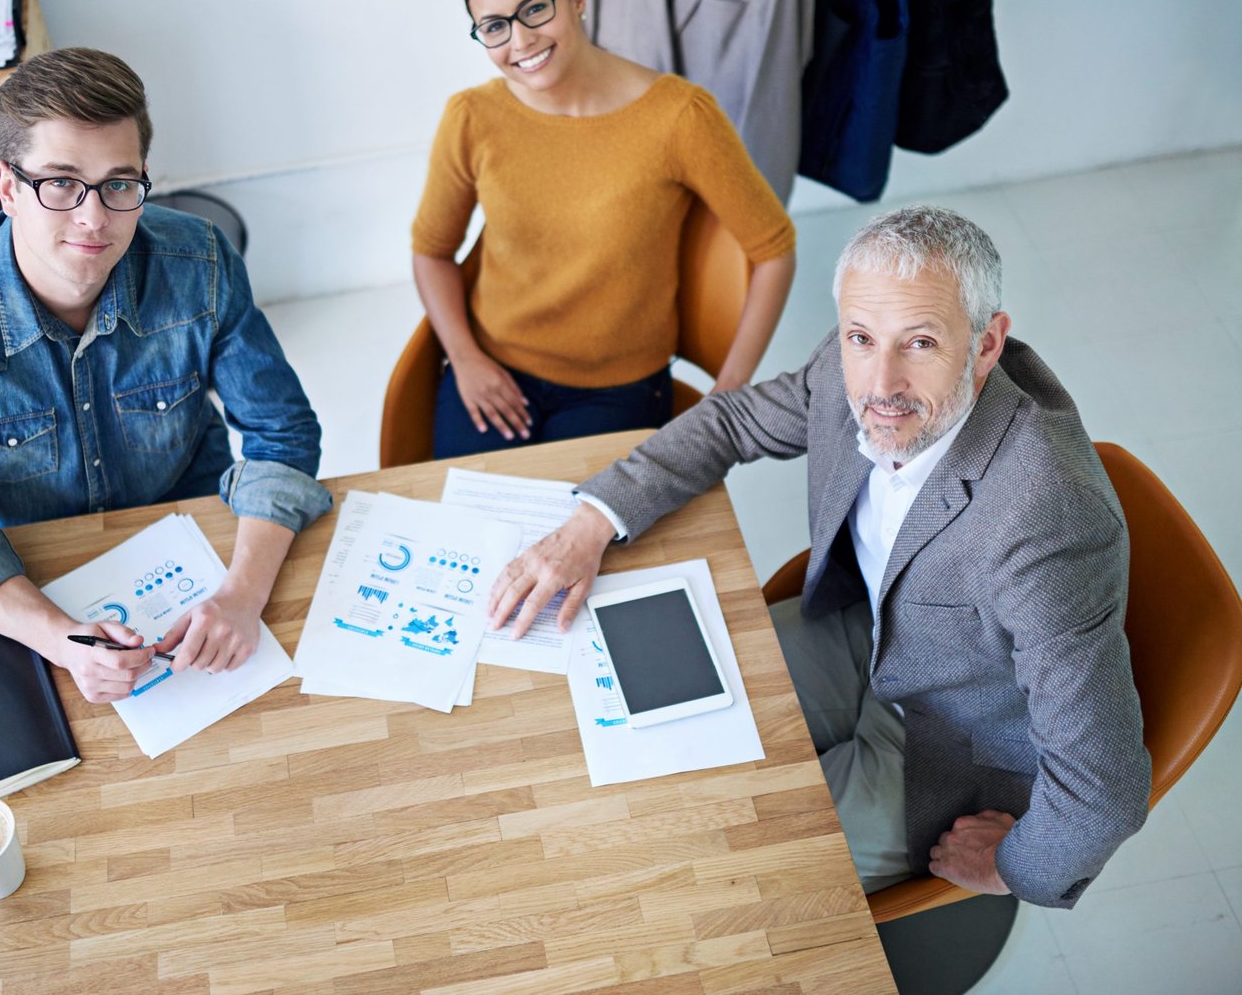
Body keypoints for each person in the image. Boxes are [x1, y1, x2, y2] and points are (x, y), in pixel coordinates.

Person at [488, 205, 1150, 908]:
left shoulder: (1045, 518)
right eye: (862, 337)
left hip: (952, 751)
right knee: (658, 730)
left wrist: (1017, 866)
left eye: (920, 343)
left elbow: (1104, 783)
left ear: (987, 345)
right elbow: (735, 419)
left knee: (730, 873)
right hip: (862, 634)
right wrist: (592, 522)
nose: (880, 384)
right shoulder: (852, 363)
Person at [0, 47, 331, 703]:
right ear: (8, 186)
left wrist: (239, 598)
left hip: (200, 548)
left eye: (120, 184)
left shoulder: (201, 262)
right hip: (29, 575)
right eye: (60, 183)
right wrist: (63, 642)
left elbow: (282, 435)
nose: (94, 218)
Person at [411, 0, 798, 459]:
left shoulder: (680, 116)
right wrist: (466, 358)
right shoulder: (471, 116)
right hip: (490, 373)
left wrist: (728, 395)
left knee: (582, 538)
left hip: (618, 390)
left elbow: (773, 250)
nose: (520, 41)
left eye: (535, 9)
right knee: (466, 537)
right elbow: (431, 252)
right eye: (494, 26)